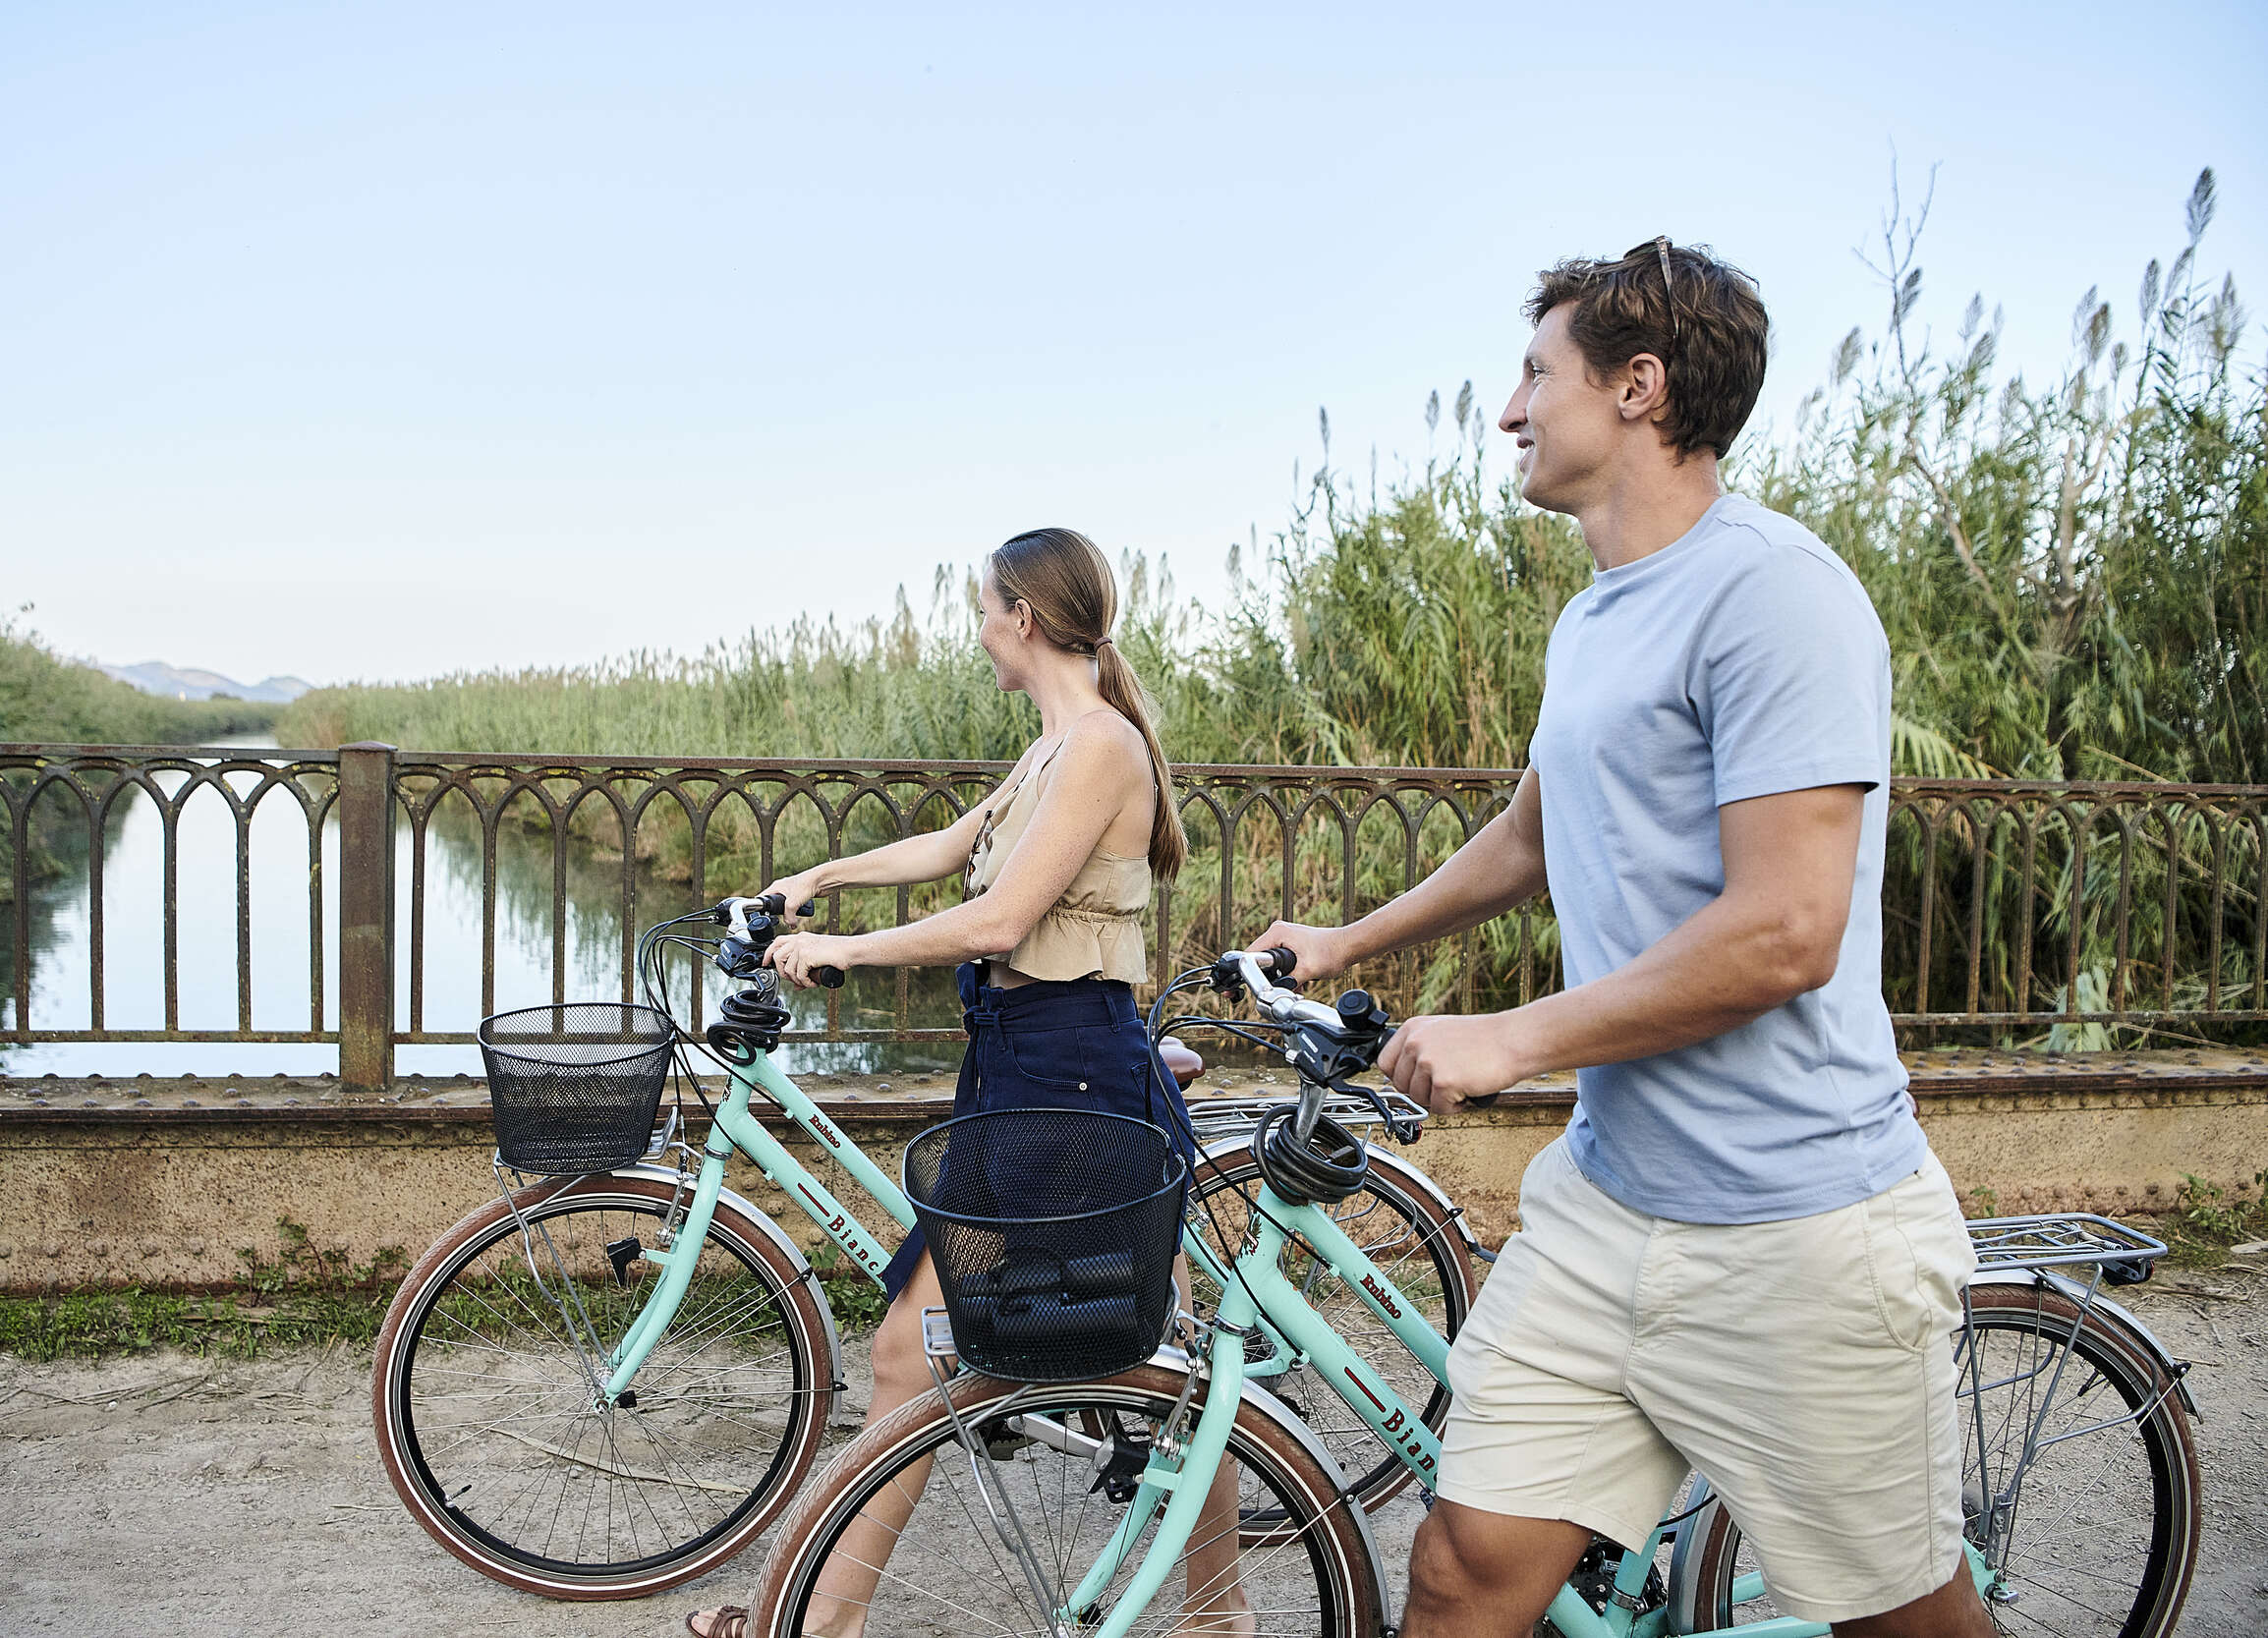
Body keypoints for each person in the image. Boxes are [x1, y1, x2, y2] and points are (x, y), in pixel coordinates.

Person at [1252, 241, 1990, 1638]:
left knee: (1903, 1619)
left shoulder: (1775, 593)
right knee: (1465, 1569)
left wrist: (1514, 1033)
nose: (1511, 408)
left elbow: (1784, 931)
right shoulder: (1594, 619)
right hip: (1606, 1201)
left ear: (1639, 389)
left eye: (1539, 371)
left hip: (1796, 1224)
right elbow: (1531, 836)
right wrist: (1351, 936)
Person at [686, 527, 1249, 1638]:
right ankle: (1214, 1608)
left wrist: (849, 948)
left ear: (1023, 617)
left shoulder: (1100, 747)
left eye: (983, 608)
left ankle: (811, 1622)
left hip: (1070, 1072)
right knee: (1110, 1352)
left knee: (1091, 1354)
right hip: (1023, 1062)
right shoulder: (1055, 746)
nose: (977, 629)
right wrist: (820, 876)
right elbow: (959, 843)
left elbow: (999, 917)